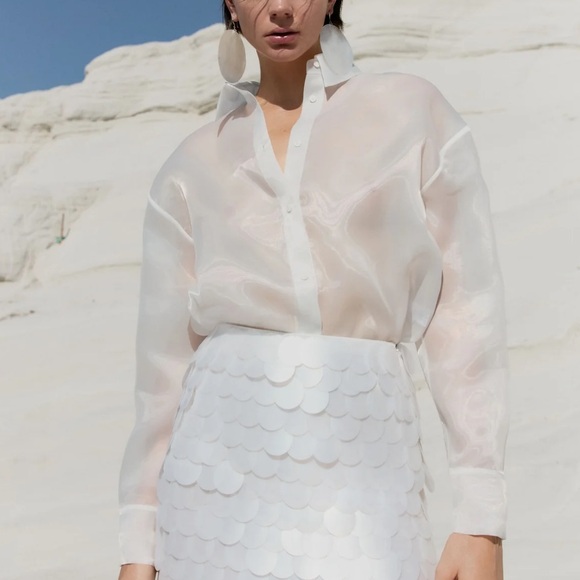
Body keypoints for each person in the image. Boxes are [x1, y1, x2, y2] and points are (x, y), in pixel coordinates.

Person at [117, 1, 509, 579]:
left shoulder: (411, 113)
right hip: (211, 495)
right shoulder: (190, 164)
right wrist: (138, 547)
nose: (280, 8)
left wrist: (481, 520)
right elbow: (162, 374)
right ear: (229, 4)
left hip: (368, 470)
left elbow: (465, 314)